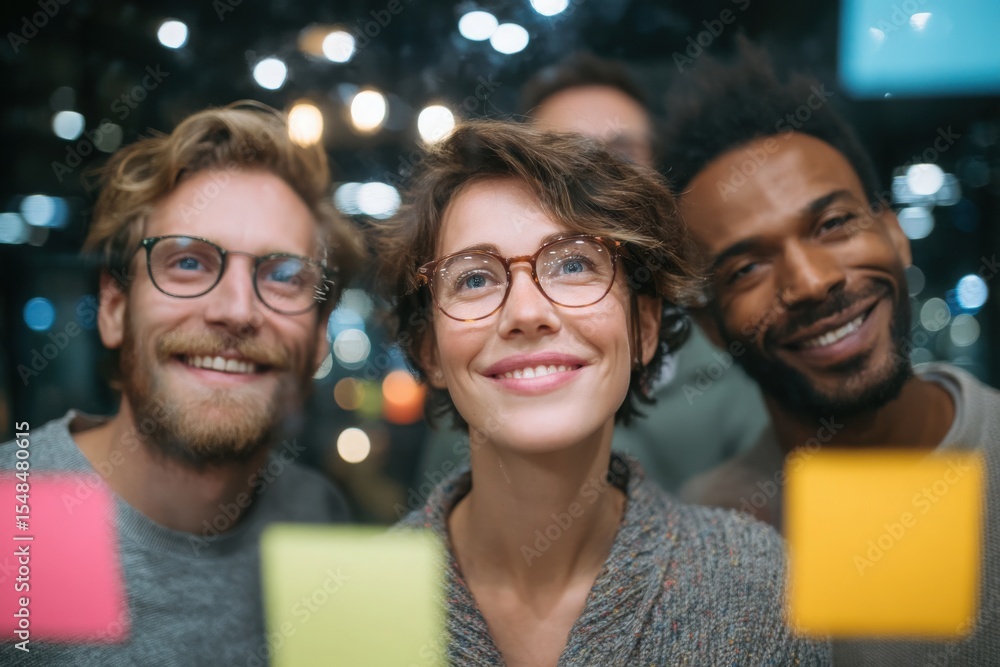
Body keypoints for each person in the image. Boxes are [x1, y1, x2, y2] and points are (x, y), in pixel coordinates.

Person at [380, 120, 830, 665]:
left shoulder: (755, 582)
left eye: (573, 264)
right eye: (474, 278)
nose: (526, 313)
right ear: (429, 350)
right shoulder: (359, 608)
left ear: (643, 328)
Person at [663, 42, 1000, 665]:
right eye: (746, 267)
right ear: (710, 324)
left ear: (894, 233)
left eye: (833, 224)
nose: (813, 282)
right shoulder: (709, 533)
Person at [0, 101, 364, 665]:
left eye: (284, 276)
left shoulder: (318, 515)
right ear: (115, 307)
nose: (236, 311)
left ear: (318, 339)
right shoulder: (12, 518)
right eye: (188, 263)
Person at [412, 53, 767, 496]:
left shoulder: (734, 372)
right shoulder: (480, 380)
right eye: (563, 156)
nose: (594, 181)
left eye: (621, 156)